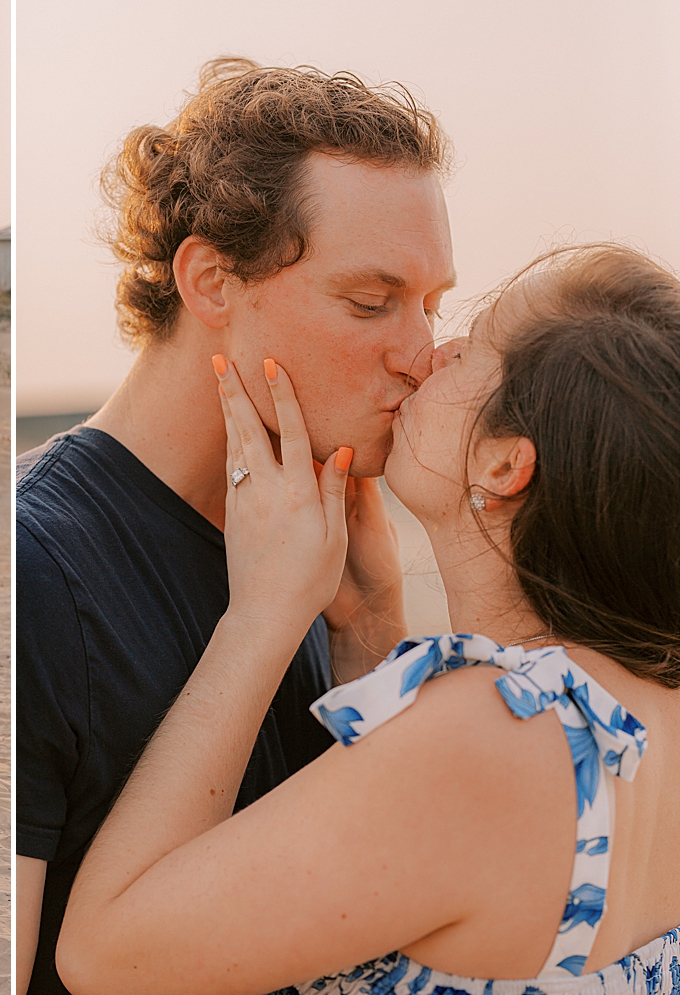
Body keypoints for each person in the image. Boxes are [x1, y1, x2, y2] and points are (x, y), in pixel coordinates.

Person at [57, 244, 680, 992]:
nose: (429, 353)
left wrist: (260, 617)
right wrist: (372, 629)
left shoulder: (499, 733)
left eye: (471, 349)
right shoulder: (649, 710)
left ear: (504, 466)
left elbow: (103, 957)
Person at [16, 58, 454, 993]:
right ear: (211, 282)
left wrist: (370, 635)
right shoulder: (31, 570)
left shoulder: (311, 544)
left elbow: (354, 922)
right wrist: (259, 624)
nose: (422, 354)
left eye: (433, 305)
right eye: (372, 302)